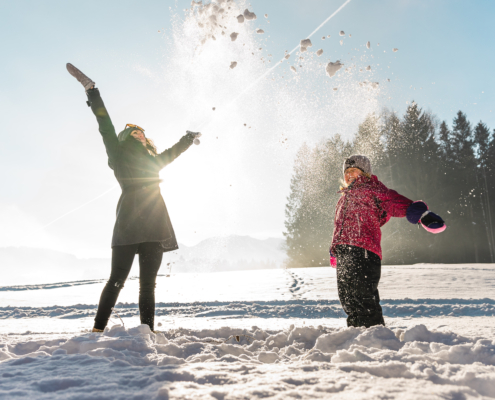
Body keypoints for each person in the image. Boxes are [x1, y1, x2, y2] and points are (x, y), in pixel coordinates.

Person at [66, 63, 201, 333]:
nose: (139, 133)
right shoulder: (117, 154)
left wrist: (188, 138)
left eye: (142, 131)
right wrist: (92, 91)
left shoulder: (153, 162)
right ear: (126, 137)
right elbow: (105, 125)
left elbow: (172, 153)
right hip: (128, 222)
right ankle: (97, 329)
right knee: (117, 279)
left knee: (148, 284)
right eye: (133, 131)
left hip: (154, 222)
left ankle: (146, 332)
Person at [329, 155, 445, 328]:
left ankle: (374, 334)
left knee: (362, 295)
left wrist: (421, 214)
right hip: (345, 252)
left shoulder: (372, 188)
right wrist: (335, 251)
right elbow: (339, 226)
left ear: (365, 173)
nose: (349, 174)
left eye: (354, 170)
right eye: (346, 172)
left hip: (364, 250)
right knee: (347, 297)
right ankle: (355, 332)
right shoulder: (343, 198)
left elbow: (394, 201)